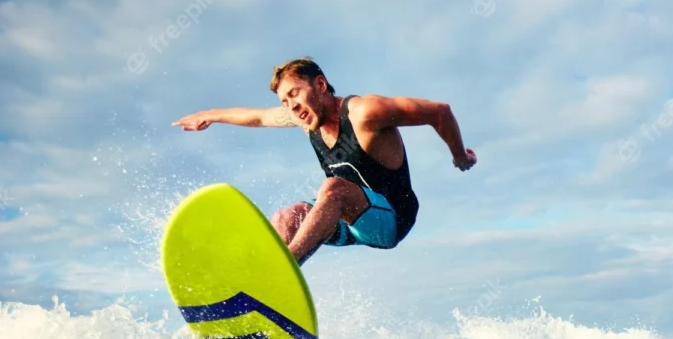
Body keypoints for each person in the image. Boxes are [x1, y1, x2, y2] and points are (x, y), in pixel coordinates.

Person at [173, 57, 476, 262]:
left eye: (295, 93)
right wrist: (209, 116)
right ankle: (263, 289)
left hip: (392, 221)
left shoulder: (365, 113)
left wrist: (459, 156)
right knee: (287, 217)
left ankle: (283, 270)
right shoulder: (305, 118)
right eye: (284, 101)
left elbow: (439, 112)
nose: (291, 106)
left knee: (333, 189)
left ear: (319, 85)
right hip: (350, 222)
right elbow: (257, 117)